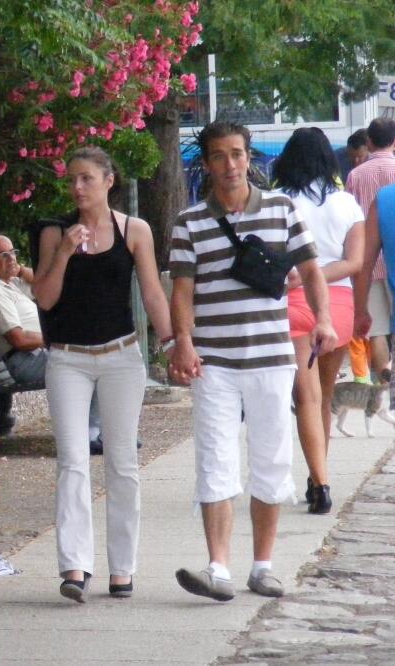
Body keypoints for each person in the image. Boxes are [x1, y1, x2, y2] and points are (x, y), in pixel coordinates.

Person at [168, 121, 337, 602]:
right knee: (215, 460)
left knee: (271, 458)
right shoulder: (189, 222)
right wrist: (183, 341)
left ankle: (262, 566)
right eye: (219, 156)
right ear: (206, 164)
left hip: (270, 356)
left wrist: (323, 319)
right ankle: (217, 567)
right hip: (215, 360)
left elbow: (311, 270)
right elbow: (182, 290)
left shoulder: (283, 209)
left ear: (250, 159)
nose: (229, 165)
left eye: (237, 154)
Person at [32, 146, 173, 602]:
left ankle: (123, 568)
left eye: (86, 179)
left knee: (122, 463)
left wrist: (171, 343)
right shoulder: (55, 232)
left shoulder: (134, 230)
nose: (77, 188)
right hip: (69, 357)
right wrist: (66, 252)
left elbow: (151, 292)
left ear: (109, 180)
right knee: (72, 460)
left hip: (121, 356)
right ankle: (75, 567)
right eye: (71, 179)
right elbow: (46, 299)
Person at [274, 128, 364, 515]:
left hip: (292, 303)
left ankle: (319, 482)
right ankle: (318, 477)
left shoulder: (278, 202)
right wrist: (321, 275)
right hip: (338, 304)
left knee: (304, 397)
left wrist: (300, 276)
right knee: (324, 396)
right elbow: (355, 262)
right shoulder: (347, 203)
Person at [0, 233, 102, 448]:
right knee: (91, 364)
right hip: (25, 361)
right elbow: (19, 339)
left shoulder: (8, 284)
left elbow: (43, 283)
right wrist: (58, 338)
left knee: (99, 356)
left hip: (37, 354)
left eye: (13, 253)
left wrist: (21, 270)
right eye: (3, 255)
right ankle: (92, 434)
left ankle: (101, 431)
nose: (11, 259)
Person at [347, 118, 395, 387]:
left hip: (368, 262)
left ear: (369, 142)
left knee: (376, 331)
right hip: (392, 261)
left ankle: (384, 389)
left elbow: (352, 219)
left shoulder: (356, 175)